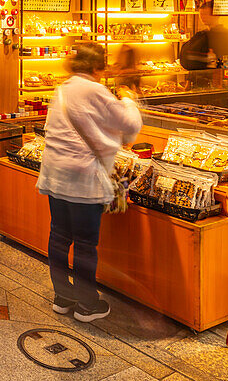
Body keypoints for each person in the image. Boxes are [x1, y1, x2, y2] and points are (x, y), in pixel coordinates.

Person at [37, 43, 141, 323]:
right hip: (82, 178)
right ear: (97, 67)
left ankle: (63, 297)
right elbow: (130, 125)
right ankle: (86, 305)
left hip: (55, 175)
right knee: (84, 243)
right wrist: (129, 98)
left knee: (58, 237)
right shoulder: (95, 89)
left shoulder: (63, 88)